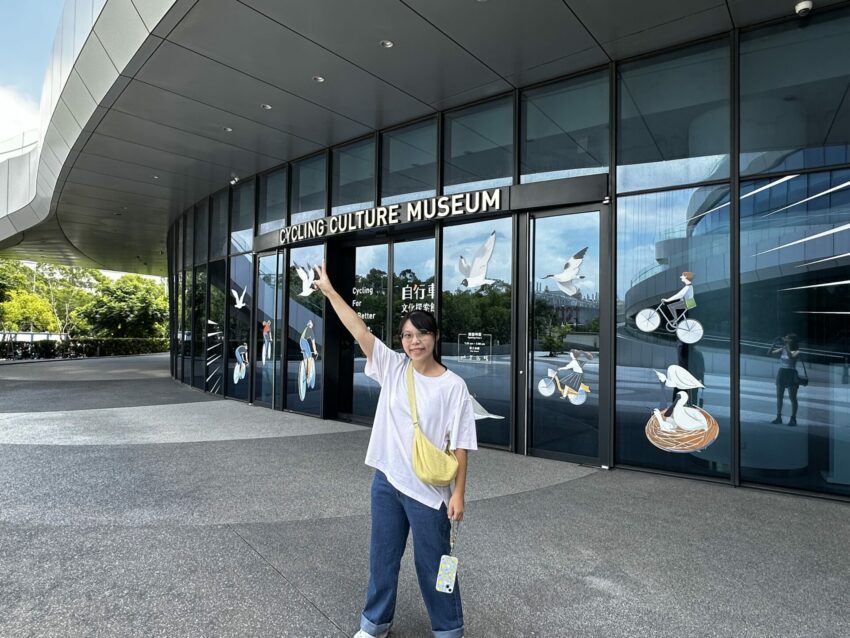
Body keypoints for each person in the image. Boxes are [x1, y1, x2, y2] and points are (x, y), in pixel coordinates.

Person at [312, 261, 476, 638]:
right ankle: (374, 624)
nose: (413, 342)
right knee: (382, 559)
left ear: (435, 337)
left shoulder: (454, 386)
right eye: (406, 335)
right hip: (387, 482)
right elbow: (358, 329)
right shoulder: (392, 367)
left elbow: (462, 445)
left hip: (429, 490)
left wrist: (460, 495)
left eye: (421, 334)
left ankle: (449, 628)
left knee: (435, 565)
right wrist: (331, 291)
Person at [768, 334, 801, 426]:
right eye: (785, 338)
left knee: (792, 397)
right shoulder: (783, 349)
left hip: (791, 373)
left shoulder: (797, 351)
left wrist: (786, 346)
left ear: (792, 341)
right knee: (779, 396)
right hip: (782, 372)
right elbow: (769, 353)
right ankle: (778, 417)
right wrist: (773, 344)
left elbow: (791, 357)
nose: (785, 339)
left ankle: (793, 419)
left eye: (788, 338)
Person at [299, 319, 318, 386]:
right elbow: (313, 344)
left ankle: (305, 371)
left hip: (301, 342)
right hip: (304, 342)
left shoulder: (306, 328)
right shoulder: (311, 331)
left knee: (306, 358)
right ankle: (308, 376)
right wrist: (315, 351)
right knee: (310, 359)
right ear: (311, 325)